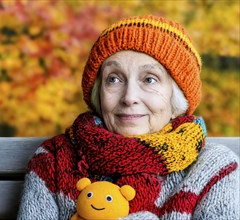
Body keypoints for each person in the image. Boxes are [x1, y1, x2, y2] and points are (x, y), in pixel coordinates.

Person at [17, 15, 239, 220]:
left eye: (149, 79)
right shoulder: (53, 160)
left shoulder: (214, 168)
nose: (129, 97)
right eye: (114, 79)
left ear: (176, 100)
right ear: (98, 94)